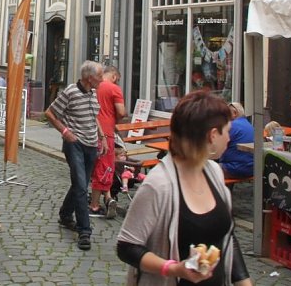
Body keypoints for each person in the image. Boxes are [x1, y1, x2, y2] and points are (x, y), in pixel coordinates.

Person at [117, 91, 251, 286]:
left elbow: (226, 236)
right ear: (213, 135)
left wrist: (243, 282)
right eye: (227, 131)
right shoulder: (158, 185)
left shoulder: (214, 172)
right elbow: (127, 247)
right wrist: (174, 269)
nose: (229, 139)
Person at [45, 60, 108, 251]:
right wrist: (65, 132)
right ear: (89, 78)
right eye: (99, 76)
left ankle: (65, 215)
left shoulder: (93, 93)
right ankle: (84, 232)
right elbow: (50, 113)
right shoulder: (70, 92)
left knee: (80, 184)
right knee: (81, 187)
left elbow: (94, 117)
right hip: (75, 145)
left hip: (91, 145)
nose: (102, 80)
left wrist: (102, 137)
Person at [89, 65, 127, 218]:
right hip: (106, 133)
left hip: (89, 131)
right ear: (113, 76)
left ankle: (108, 198)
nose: (117, 82)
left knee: (95, 167)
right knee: (104, 167)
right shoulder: (114, 89)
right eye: (117, 80)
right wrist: (115, 119)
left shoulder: (92, 86)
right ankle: (95, 206)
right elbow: (122, 112)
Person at [220, 102, 254, 178]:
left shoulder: (232, 126)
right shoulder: (250, 126)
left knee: (206, 170)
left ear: (234, 113)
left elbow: (217, 147)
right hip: (252, 169)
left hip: (234, 169)